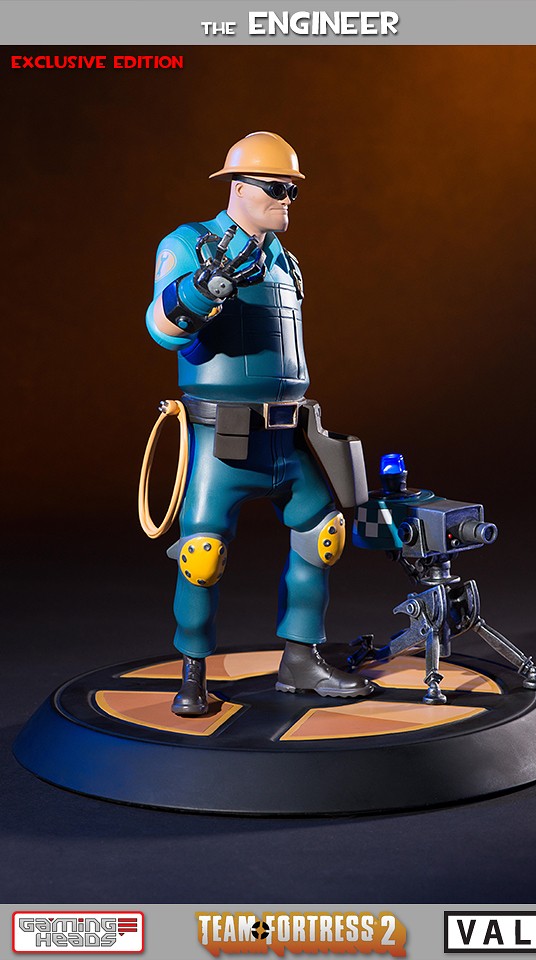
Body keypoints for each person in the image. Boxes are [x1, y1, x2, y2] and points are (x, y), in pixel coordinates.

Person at [146, 131, 374, 716]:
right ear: (239, 188)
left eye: (292, 190)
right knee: (201, 554)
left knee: (323, 535)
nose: (287, 199)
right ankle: (193, 672)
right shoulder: (190, 243)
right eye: (276, 188)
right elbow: (162, 328)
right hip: (222, 436)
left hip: (287, 434)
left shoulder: (284, 260)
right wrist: (205, 287)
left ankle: (301, 658)